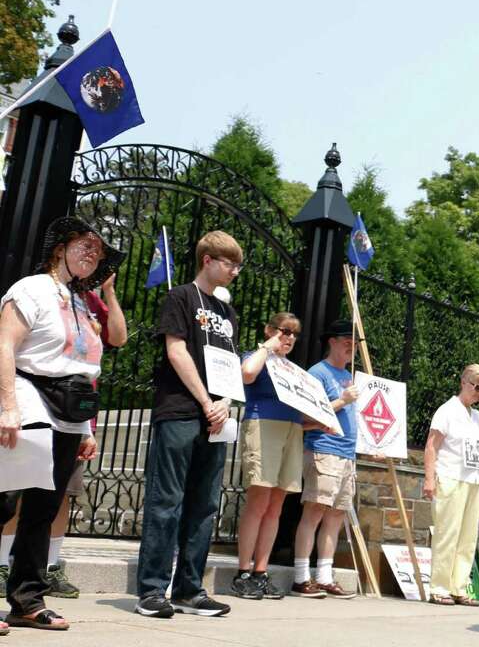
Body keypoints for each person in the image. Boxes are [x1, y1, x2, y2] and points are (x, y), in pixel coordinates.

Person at [0, 217, 124, 632]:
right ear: (60, 248)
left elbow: (86, 366)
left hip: (70, 410)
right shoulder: (31, 288)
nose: (92, 253)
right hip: (29, 396)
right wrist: (8, 406)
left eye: (99, 250)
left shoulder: (83, 301)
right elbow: (5, 344)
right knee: (4, 499)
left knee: (44, 508)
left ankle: (26, 600)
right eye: (85, 244)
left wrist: (87, 428)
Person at [135, 231, 242, 619]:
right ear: (208, 259)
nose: (235, 270)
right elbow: (176, 350)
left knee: (204, 505)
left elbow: (231, 366)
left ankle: (189, 588)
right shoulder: (180, 297)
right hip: (181, 410)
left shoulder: (228, 314)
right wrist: (204, 401)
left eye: (237, 264)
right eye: (229, 262)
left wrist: (224, 403)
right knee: (167, 501)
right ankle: (151, 589)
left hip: (215, 419)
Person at [232, 311, 307, 600]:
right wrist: (267, 347)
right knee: (259, 500)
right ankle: (243, 572)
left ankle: (261, 571)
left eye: (294, 333)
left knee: (276, 504)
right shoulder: (258, 355)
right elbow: (247, 373)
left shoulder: (292, 368)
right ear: (269, 330)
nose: (288, 338)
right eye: (284, 331)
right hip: (263, 424)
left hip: (292, 429)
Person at [292, 319, 359, 599]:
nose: (351, 346)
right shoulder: (317, 373)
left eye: (354, 342)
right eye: (346, 340)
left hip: (346, 453)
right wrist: (343, 400)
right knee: (315, 511)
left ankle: (324, 575)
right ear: (331, 340)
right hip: (324, 448)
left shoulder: (350, 376)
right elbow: (306, 416)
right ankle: (300, 576)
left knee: (336, 515)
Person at [423, 364, 479, 606]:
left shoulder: (477, 416)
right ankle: (439, 586)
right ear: (464, 383)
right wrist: (428, 479)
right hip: (450, 476)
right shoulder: (446, 410)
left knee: (467, 538)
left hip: (475, 480)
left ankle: (459, 585)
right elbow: (431, 446)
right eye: (477, 387)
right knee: (447, 533)